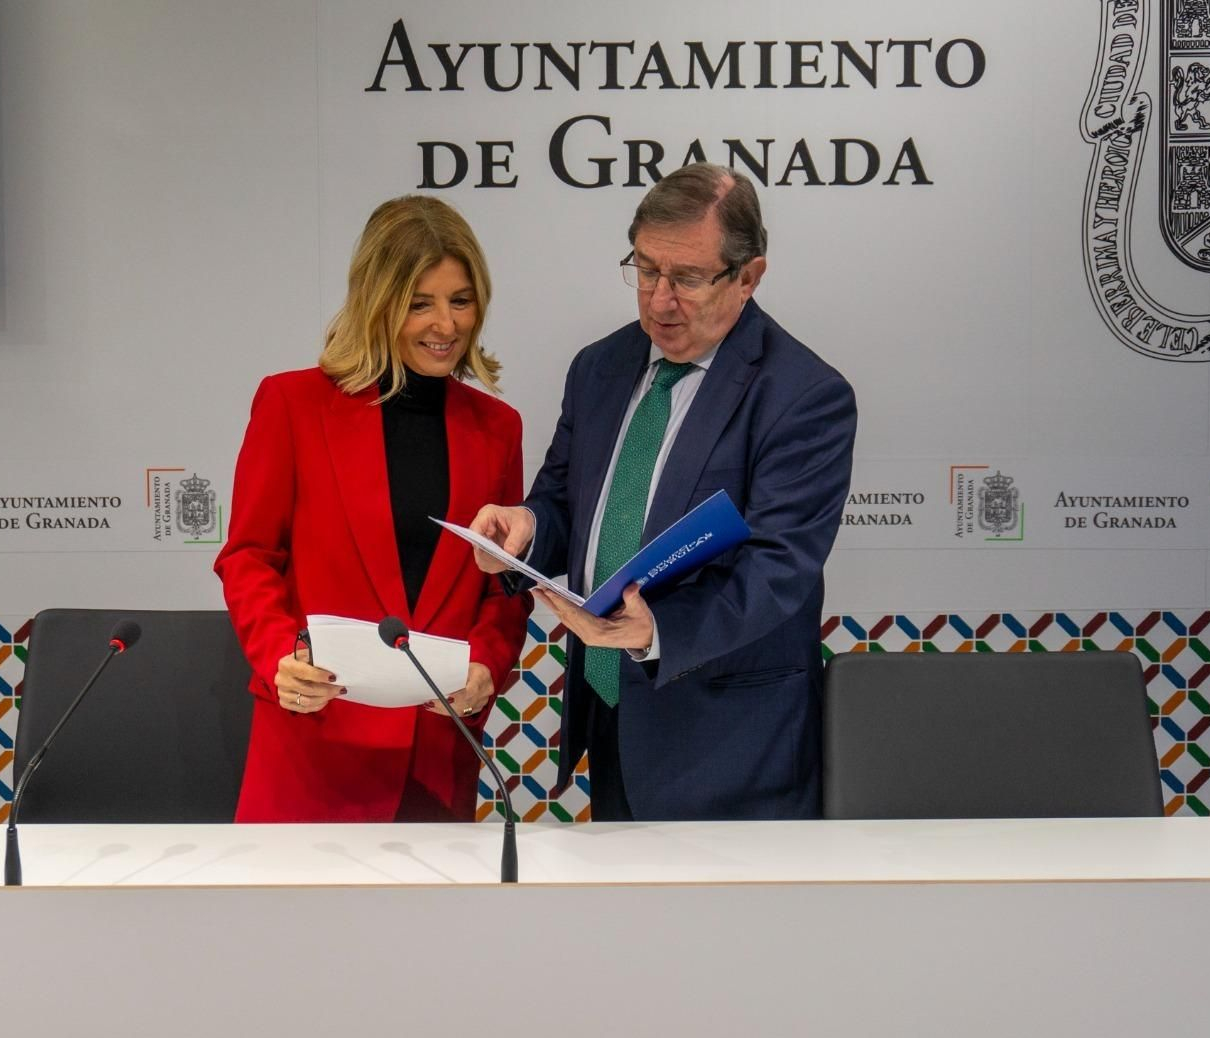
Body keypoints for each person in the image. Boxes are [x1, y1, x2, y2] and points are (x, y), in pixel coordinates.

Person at [469, 163, 855, 821]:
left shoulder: (804, 396)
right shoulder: (600, 367)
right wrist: (525, 529)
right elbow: (565, 499)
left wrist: (659, 629)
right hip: (613, 722)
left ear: (748, 277)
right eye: (646, 270)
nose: (659, 299)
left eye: (688, 278)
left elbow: (776, 569)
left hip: (731, 748)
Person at [216, 195, 531, 822]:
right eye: (420, 302)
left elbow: (503, 587)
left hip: (436, 759)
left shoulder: (498, 427)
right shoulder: (291, 405)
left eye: (461, 300)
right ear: (377, 302)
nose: (446, 323)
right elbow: (249, 557)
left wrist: (486, 666)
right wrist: (282, 654)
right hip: (314, 747)